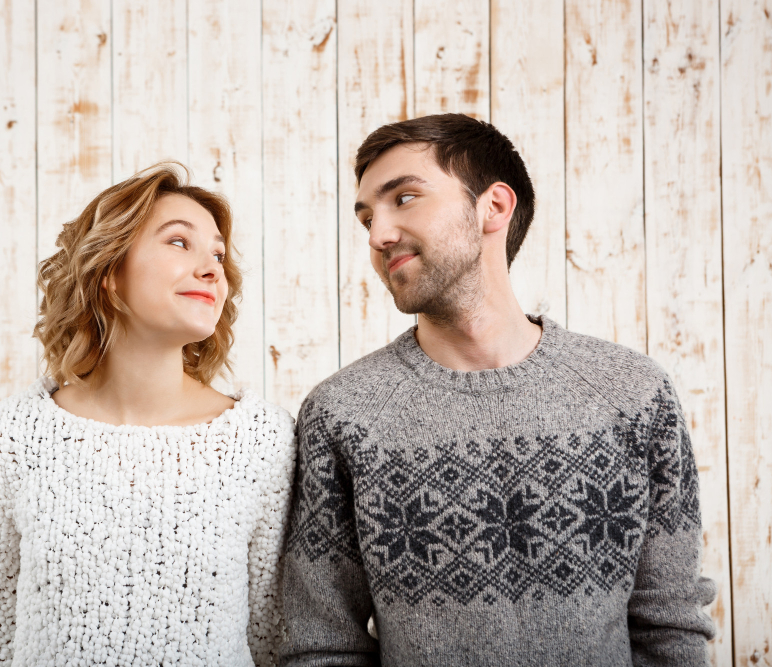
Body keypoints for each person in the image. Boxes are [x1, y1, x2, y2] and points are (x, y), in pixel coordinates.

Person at [280, 114, 716, 666]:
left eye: (404, 198)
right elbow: (323, 645)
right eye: (367, 216)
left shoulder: (630, 392)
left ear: (494, 207)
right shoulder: (342, 414)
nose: (378, 234)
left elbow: (669, 625)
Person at [0, 162, 295, 666]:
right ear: (109, 274)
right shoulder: (14, 436)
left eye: (218, 254)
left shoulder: (263, 440)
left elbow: (273, 638)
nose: (212, 269)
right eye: (179, 242)